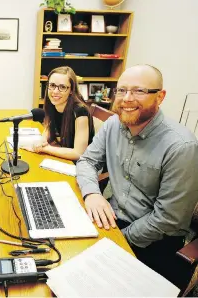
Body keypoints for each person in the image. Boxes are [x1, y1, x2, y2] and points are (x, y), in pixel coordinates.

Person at [76, 64, 198, 289]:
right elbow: (87, 161)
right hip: (112, 222)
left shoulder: (181, 146)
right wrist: (92, 193)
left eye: (139, 91)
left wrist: (118, 240)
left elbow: (168, 220)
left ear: (160, 97)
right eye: (121, 90)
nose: (126, 98)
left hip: (154, 241)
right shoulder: (113, 125)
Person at [29, 66, 95, 161]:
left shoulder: (81, 111)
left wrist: (46, 149)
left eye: (62, 87)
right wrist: (41, 141)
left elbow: (79, 153)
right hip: (65, 155)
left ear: (71, 90)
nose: (55, 91)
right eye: (52, 85)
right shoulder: (53, 104)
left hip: (83, 163)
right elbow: (48, 127)